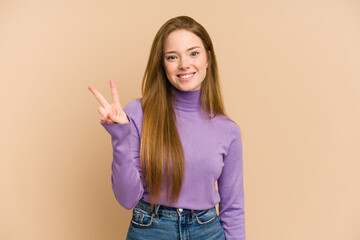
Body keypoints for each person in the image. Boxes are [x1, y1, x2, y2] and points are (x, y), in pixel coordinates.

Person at [88, 16, 245, 240]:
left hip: (208, 232)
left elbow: (233, 208)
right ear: (162, 64)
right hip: (150, 230)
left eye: (194, 53)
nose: (184, 64)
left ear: (208, 58)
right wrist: (120, 137)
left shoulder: (228, 130)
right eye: (173, 57)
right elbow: (127, 199)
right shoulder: (138, 113)